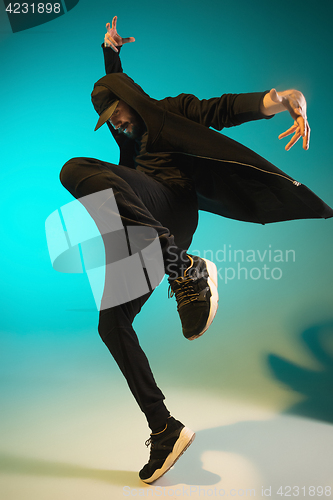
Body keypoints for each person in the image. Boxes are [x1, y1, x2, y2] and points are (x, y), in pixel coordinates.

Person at [60, 16, 333, 484]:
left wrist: (289, 100)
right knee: (112, 323)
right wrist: (111, 54)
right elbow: (115, 87)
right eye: (109, 122)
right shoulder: (125, 131)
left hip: (172, 210)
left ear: (134, 100)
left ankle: (182, 267)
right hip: (149, 232)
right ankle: (164, 427)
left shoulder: (173, 113)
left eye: (120, 114)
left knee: (75, 169)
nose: (118, 125)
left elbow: (227, 108)